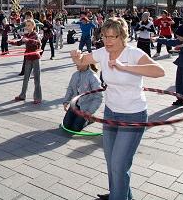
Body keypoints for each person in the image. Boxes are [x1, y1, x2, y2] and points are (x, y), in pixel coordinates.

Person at [70, 17, 165, 200]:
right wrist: (76, 57)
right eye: (105, 36)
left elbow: (160, 71)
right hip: (111, 114)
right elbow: (83, 62)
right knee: (112, 162)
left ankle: (118, 196)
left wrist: (125, 67)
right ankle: (119, 194)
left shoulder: (133, 54)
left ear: (122, 37)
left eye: (113, 37)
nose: (108, 41)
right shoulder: (103, 52)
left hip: (133, 115)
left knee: (119, 164)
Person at [156, 24, 183, 109]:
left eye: (178, 36)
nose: (177, 37)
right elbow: (169, 41)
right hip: (181, 63)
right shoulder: (179, 40)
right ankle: (181, 99)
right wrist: (157, 39)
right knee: (179, 82)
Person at [62, 63, 103, 132]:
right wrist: (66, 101)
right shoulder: (75, 75)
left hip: (86, 107)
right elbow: (70, 89)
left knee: (76, 128)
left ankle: (89, 119)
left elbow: (98, 97)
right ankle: (77, 117)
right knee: (66, 125)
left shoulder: (93, 77)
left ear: (85, 64)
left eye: (78, 63)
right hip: (75, 105)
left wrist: (89, 111)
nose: (76, 64)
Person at [11, 19, 43, 104]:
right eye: (26, 25)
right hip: (28, 58)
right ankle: (22, 95)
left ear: (33, 26)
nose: (27, 27)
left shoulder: (35, 34)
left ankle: (38, 98)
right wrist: (11, 42)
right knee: (25, 78)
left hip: (35, 58)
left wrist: (28, 40)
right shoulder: (25, 35)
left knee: (37, 79)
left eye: (29, 25)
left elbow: (38, 43)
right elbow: (19, 43)